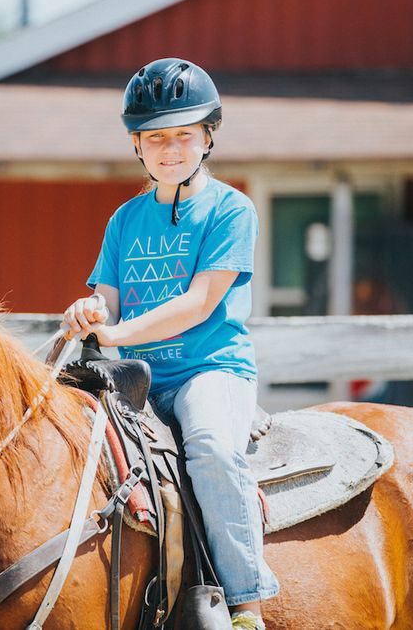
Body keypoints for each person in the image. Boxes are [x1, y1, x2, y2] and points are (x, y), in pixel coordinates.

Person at [63, 57, 278, 630]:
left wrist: (114, 333)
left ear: (208, 136)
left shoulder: (232, 210)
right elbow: (106, 296)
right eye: (155, 136)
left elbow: (198, 305)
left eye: (184, 134)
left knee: (210, 446)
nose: (170, 148)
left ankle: (244, 602)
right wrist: (90, 310)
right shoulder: (124, 220)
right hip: (136, 379)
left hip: (210, 370)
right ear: (137, 145)